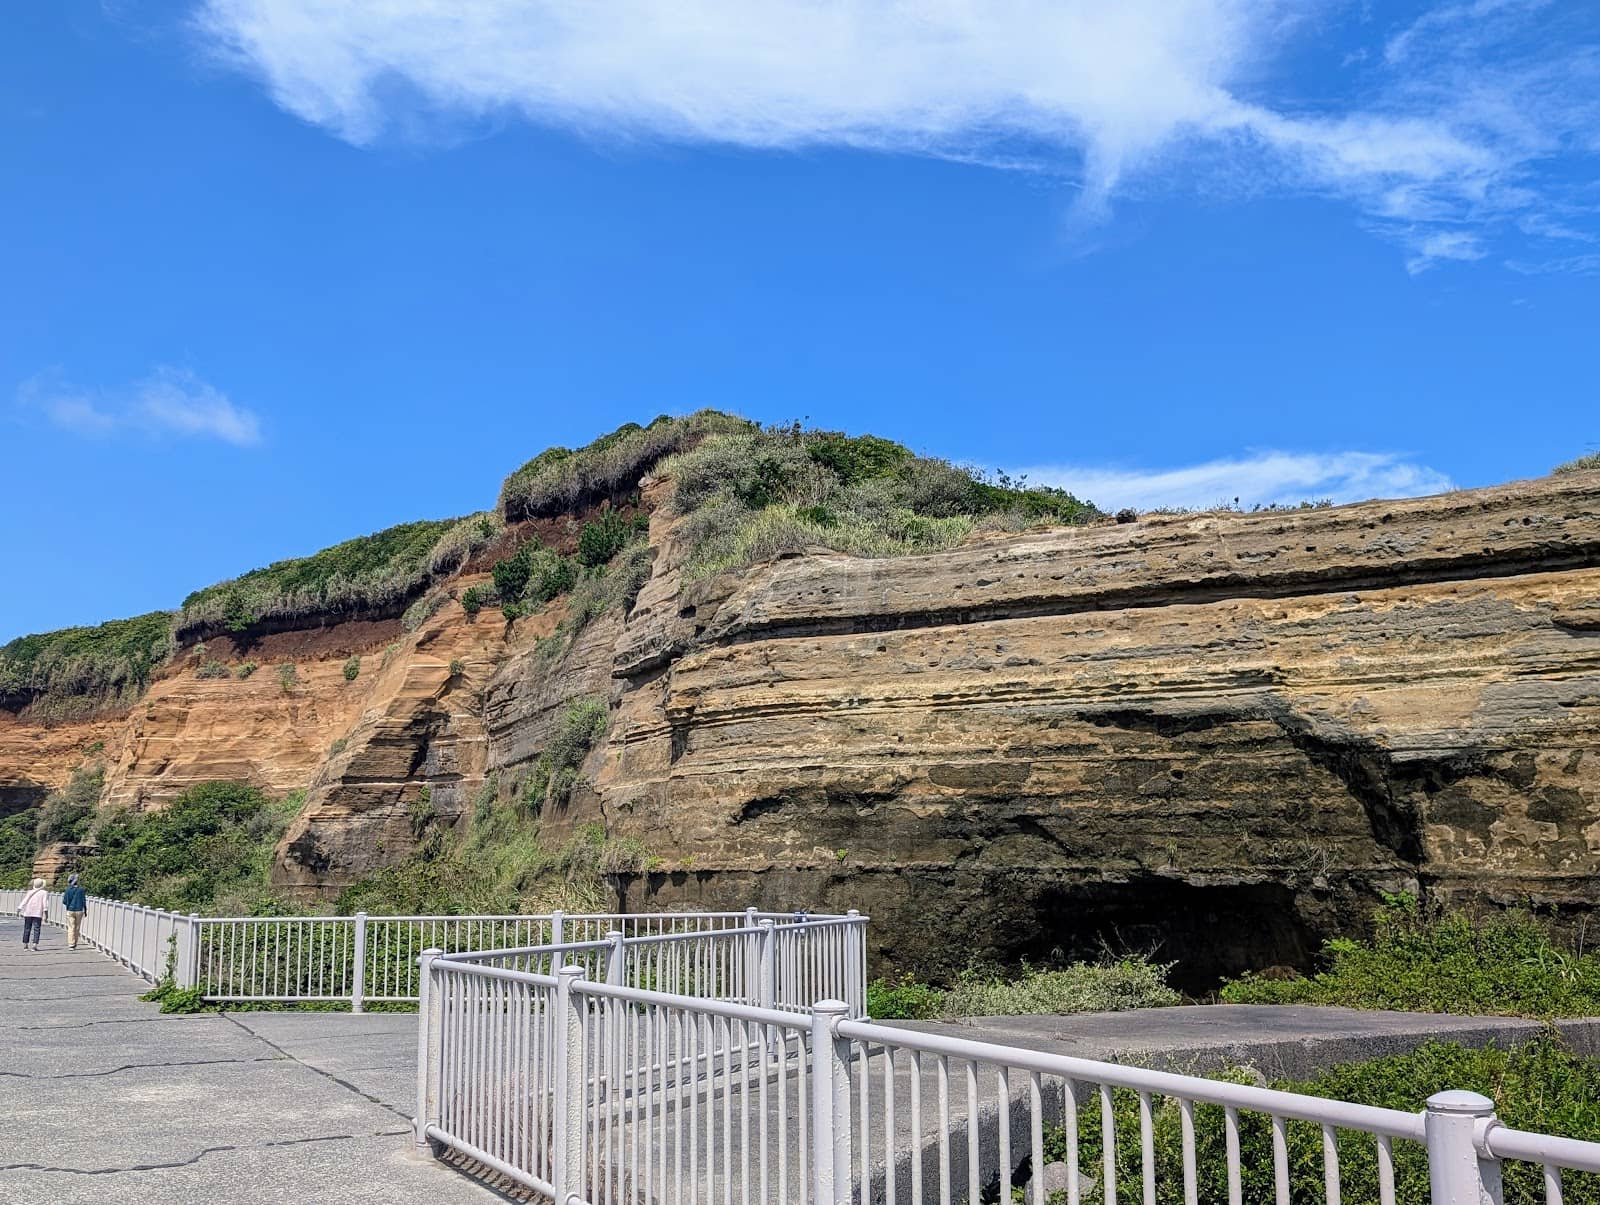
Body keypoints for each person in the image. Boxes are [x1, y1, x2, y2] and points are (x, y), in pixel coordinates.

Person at [18, 877, 47, 952]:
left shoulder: (30, 892)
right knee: (36, 929)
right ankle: (34, 945)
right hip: (37, 913)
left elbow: (25, 900)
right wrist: (46, 914)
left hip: (28, 912)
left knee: (27, 928)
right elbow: (45, 904)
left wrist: (19, 908)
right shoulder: (44, 893)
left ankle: (25, 945)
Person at [63, 874, 87, 950]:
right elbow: (84, 901)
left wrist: (68, 906)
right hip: (79, 910)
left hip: (70, 910)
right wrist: (85, 910)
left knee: (71, 927)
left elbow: (65, 901)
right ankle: (75, 943)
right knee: (77, 927)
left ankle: (71, 944)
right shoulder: (81, 890)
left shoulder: (68, 890)